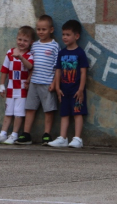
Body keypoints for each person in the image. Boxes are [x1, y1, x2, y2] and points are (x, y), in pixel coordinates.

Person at [15, 15, 60, 145]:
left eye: (44, 29)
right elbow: (31, 65)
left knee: (49, 110)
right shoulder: (34, 45)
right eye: (38, 29)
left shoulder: (54, 46)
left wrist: (54, 83)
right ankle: (26, 134)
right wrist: (29, 80)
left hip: (47, 83)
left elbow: (57, 67)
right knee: (30, 108)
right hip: (34, 82)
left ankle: (47, 134)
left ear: (51, 30)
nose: (40, 32)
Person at [0, 26, 35, 145]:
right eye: (20, 39)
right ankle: (3, 134)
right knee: (8, 112)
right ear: (16, 39)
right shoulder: (10, 52)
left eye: (25, 40)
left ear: (31, 42)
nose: (22, 43)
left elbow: (30, 67)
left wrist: (20, 56)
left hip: (22, 90)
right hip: (10, 88)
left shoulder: (29, 55)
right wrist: (1, 85)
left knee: (19, 113)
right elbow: (4, 69)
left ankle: (14, 135)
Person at [48, 20, 88, 148]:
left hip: (76, 91)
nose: (64, 37)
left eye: (68, 34)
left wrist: (81, 89)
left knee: (77, 113)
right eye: (63, 34)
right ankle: (63, 138)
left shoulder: (80, 53)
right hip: (64, 90)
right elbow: (58, 71)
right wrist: (58, 87)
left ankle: (77, 139)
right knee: (64, 113)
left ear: (76, 36)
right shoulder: (62, 53)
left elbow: (83, 73)